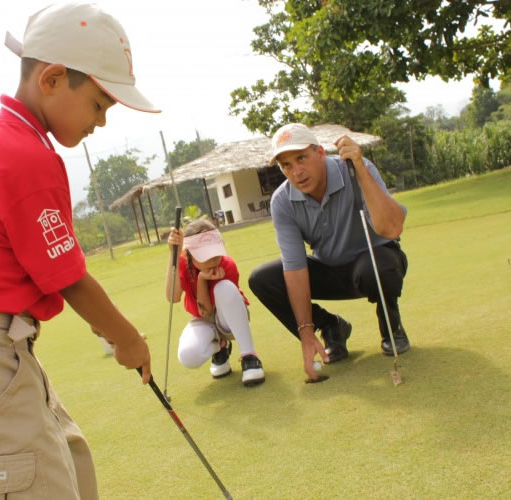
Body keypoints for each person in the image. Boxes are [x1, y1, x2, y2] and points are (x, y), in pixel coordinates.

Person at [0, 4, 158, 499]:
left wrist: (107, 326)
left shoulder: (9, 137)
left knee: (71, 464)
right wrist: (127, 338)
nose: (101, 122)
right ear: (52, 79)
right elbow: (66, 277)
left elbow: (38, 262)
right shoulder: (21, 152)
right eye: (98, 104)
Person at [248, 123, 410, 381]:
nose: (297, 171)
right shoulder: (282, 202)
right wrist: (306, 332)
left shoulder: (356, 169)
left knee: (379, 266)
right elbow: (296, 267)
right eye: (286, 165)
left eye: (301, 158)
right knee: (262, 278)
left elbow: (391, 228)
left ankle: (390, 323)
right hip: (330, 271)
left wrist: (361, 171)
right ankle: (331, 326)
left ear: (320, 153)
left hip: (374, 262)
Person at [165, 219, 265, 386]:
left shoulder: (227, 264)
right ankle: (221, 348)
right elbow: (172, 297)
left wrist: (203, 278)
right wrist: (173, 256)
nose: (212, 260)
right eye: (205, 255)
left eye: (215, 253)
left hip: (230, 320)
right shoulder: (182, 263)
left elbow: (211, 309)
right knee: (188, 356)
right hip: (203, 320)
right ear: (187, 254)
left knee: (224, 287)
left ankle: (249, 356)